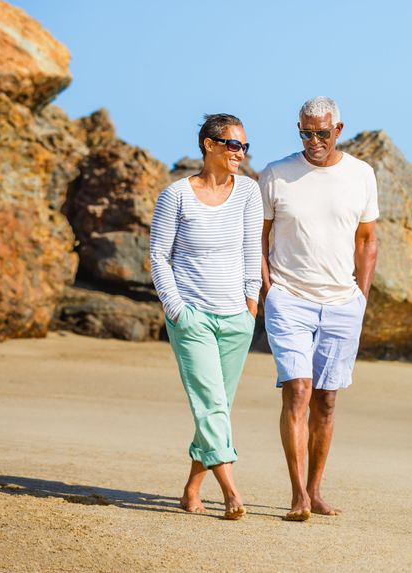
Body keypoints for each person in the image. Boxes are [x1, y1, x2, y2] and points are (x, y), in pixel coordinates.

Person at [259, 96, 379, 522]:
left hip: (343, 303)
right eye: (306, 132)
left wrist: (361, 296)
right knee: (298, 391)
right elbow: (259, 235)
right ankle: (297, 495)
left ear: (338, 130)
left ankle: (315, 489)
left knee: (326, 401)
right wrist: (269, 286)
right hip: (289, 298)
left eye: (322, 133)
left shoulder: (361, 175)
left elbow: (367, 239)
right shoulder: (276, 175)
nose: (314, 140)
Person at [149, 113, 262, 520]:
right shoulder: (175, 196)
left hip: (236, 319)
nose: (240, 153)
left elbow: (253, 250)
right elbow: (159, 256)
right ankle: (231, 491)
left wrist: (252, 303)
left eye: (244, 146)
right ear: (209, 145)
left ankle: (191, 488)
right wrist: (176, 309)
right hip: (192, 317)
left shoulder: (249, 192)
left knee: (215, 408)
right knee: (212, 405)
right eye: (233, 144)